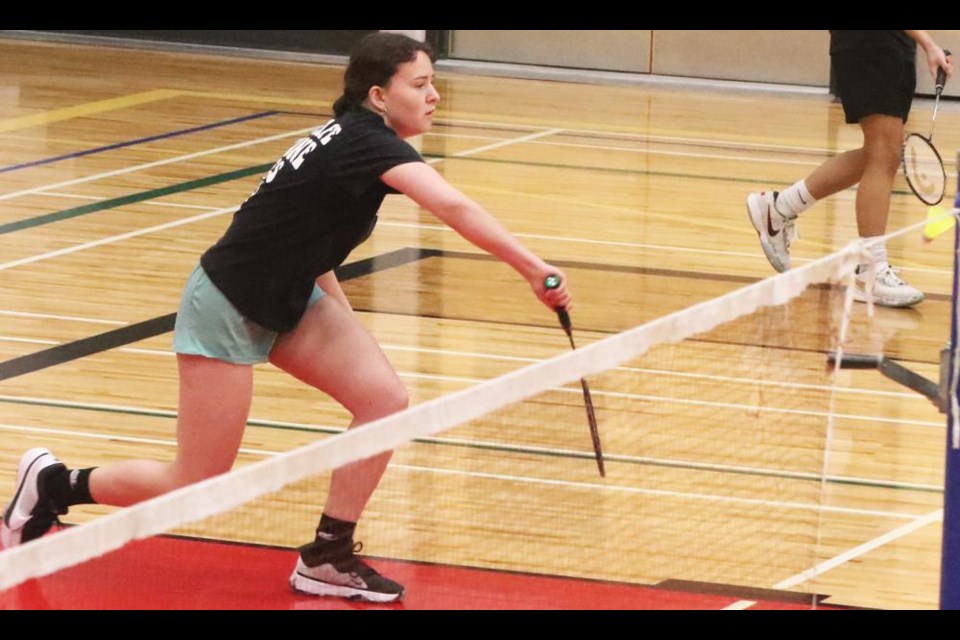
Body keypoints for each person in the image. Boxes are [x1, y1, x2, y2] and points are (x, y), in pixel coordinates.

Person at [0, 33, 572, 604]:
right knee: (197, 482)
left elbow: (302, 232)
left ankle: (327, 554)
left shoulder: (355, 141)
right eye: (420, 85)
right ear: (378, 95)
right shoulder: (364, 144)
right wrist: (532, 268)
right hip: (227, 304)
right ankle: (54, 484)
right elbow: (452, 206)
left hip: (293, 296)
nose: (434, 96)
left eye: (433, 84)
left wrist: (341, 322)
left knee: (383, 402)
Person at [747, 30, 952, 308]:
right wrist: (928, 43)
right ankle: (870, 270)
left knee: (881, 153)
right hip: (870, 42)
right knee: (884, 151)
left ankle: (779, 208)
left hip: (890, 44)